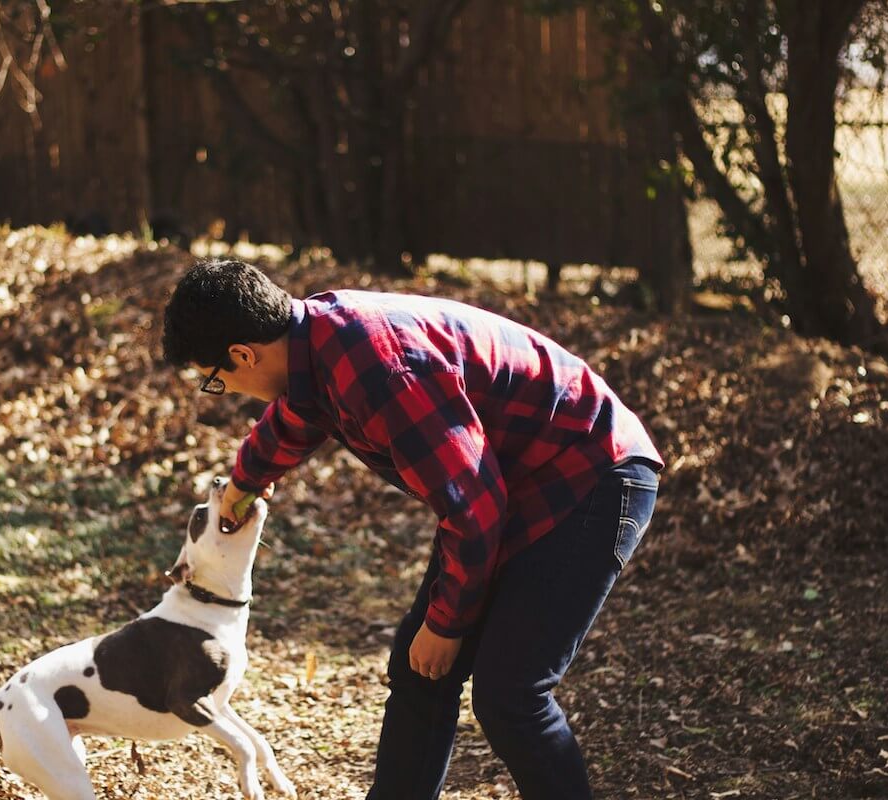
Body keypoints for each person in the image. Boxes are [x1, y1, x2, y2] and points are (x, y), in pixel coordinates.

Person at [161, 259, 663, 800]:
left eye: (217, 379)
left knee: (510, 694)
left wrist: (447, 624)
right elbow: (296, 418)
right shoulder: (320, 343)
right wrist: (243, 482)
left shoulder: (380, 369)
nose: (227, 388)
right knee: (420, 670)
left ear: (243, 353)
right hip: (518, 483)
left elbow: (473, 509)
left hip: (589, 474)